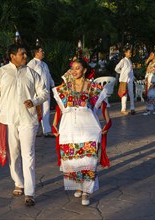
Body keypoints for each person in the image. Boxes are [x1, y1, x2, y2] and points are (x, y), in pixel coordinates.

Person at [0, 44, 48, 206]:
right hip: (8, 120)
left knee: (28, 155)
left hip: (28, 119)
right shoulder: (2, 73)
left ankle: (30, 192)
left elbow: (44, 93)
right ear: (12, 56)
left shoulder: (31, 73)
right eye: (22, 54)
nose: (26, 56)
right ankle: (18, 182)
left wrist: (34, 101)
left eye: (26, 53)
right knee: (13, 154)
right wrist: (4, 103)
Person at [52, 58, 112, 206]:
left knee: (88, 160)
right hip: (69, 127)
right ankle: (79, 185)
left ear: (84, 70)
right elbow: (60, 107)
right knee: (74, 159)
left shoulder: (93, 87)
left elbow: (103, 105)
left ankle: (86, 191)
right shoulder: (66, 87)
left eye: (77, 68)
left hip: (89, 127)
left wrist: (108, 122)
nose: (74, 71)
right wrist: (54, 124)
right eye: (72, 68)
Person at [28, 46, 55, 137]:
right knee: (36, 111)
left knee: (46, 110)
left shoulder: (44, 64)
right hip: (37, 92)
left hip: (46, 91)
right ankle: (35, 130)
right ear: (36, 53)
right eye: (41, 51)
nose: (43, 52)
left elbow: (49, 75)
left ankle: (46, 131)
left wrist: (53, 85)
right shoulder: (32, 63)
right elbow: (28, 76)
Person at [115, 48, 135, 115]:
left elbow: (131, 71)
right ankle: (123, 110)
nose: (130, 53)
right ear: (125, 53)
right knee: (124, 95)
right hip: (124, 80)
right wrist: (122, 73)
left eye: (130, 52)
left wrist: (133, 77)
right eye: (129, 52)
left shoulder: (130, 61)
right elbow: (116, 68)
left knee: (131, 94)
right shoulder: (123, 60)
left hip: (130, 80)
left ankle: (132, 109)